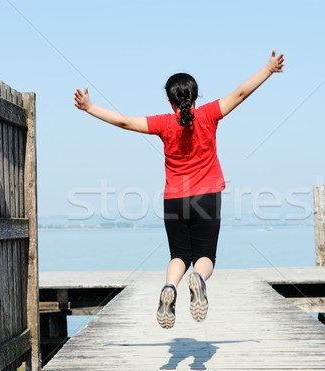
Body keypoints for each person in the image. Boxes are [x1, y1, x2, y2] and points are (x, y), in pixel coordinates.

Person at [74, 49, 285, 329]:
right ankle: (198, 279)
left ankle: (170, 286)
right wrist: (268, 69)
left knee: (178, 256)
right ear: (195, 96)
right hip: (207, 196)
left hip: (174, 199)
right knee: (205, 257)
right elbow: (241, 93)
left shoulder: (163, 124)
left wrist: (89, 107)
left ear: (169, 99)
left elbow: (125, 122)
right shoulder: (208, 115)